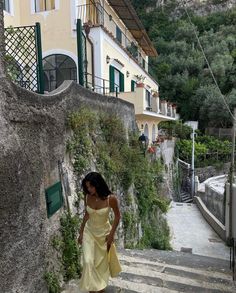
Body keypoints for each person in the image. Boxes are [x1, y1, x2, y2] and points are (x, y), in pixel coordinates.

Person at [78, 172, 122, 293]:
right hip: (89, 232)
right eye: (87, 187)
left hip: (103, 234)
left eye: (91, 186)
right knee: (88, 262)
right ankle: (92, 289)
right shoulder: (87, 196)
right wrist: (81, 232)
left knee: (100, 265)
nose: (89, 189)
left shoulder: (111, 199)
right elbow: (87, 214)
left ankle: (100, 289)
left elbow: (118, 217)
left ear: (98, 184)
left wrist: (111, 235)